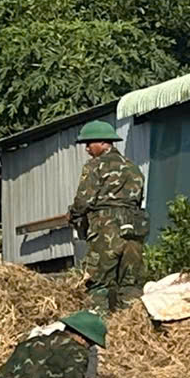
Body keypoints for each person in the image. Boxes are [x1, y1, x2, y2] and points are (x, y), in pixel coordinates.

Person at [68, 121, 147, 314]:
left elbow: (84, 200)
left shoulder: (95, 166)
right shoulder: (133, 167)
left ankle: (98, 325)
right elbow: (138, 199)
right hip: (134, 228)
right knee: (130, 284)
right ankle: (131, 324)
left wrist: (73, 214)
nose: (87, 149)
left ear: (104, 143)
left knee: (97, 283)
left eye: (89, 143)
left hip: (106, 228)